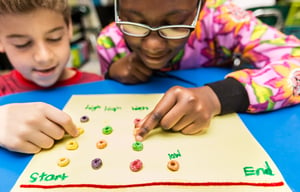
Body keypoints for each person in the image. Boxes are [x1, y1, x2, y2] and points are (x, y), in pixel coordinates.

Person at [96, 0, 300, 141]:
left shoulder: (222, 19)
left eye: (175, 24)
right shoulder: (110, 43)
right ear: (118, 10)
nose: (153, 46)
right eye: (136, 22)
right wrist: (111, 72)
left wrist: (219, 96)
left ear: (200, 6)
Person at [0, 0, 104, 153]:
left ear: (69, 28)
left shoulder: (97, 85)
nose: (44, 57)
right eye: (22, 44)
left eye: (54, 38)